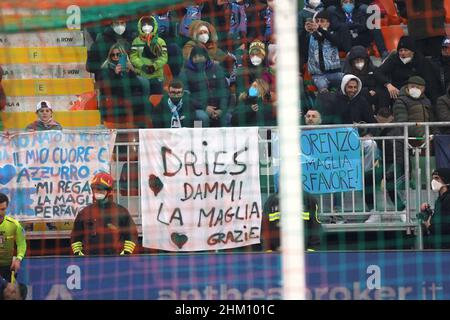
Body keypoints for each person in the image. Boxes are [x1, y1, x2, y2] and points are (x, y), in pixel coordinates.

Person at [70, 172, 138, 256]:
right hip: (90, 261)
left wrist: (125, 253)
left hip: (115, 261)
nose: (97, 192)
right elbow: (75, 237)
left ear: (109, 191)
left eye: (100, 190)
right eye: (95, 189)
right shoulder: (85, 213)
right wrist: (78, 254)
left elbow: (131, 234)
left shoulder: (121, 212)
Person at [97, 44, 149, 128]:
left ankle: (141, 131)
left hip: (128, 101)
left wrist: (131, 72)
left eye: (118, 55)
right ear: (110, 57)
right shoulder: (105, 70)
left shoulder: (126, 69)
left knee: (144, 102)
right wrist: (116, 74)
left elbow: (137, 87)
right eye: (113, 55)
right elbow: (109, 90)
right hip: (113, 102)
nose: (116, 57)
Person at [179, 45, 229, 127]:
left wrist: (221, 109)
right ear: (191, 58)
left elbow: (225, 91)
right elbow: (186, 96)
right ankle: (198, 139)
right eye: (195, 57)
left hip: (218, 108)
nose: (198, 59)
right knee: (202, 118)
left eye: (200, 56)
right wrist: (204, 107)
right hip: (197, 109)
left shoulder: (217, 69)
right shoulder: (185, 73)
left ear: (206, 57)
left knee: (228, 117)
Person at [130, 16, 168, 95]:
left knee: (156, 99)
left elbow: (164, 57)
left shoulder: (160, 42)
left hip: (157, 77)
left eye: (149, 25)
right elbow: (133, 56)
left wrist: (154, 66)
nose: (147, 28)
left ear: (154, 26)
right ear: (140, 27)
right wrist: (142, 66)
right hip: (142, 76)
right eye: (144, 25)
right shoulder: (136, 41)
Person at [419, 168, 450, 249]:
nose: (433, 181)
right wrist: (428, 212)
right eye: (433, 178)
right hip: (439, 244)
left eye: (436, 178)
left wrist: (430, 226)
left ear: (445, 179)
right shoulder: (439, 199)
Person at [0, 193, 26, 282]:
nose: (0, 213)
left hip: (8, 268)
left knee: (8, 294)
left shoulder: (14, 225)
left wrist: (18, 259)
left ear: (6, 208)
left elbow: (21, 243)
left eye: (2, 209)